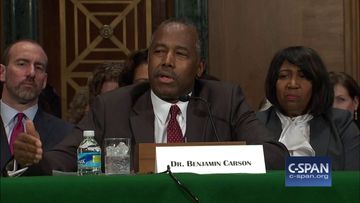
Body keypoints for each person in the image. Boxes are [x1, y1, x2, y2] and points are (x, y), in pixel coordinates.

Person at [13, 19, 288, 175]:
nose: (166, 61)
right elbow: (65, 158)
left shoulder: (224, 99)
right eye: (158, 51)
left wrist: (207, 160)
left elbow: (275, 156)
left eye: (180, 54)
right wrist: (34, 159)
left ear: (200, 67)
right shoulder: (113, 106)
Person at [256, 46, 360, 170]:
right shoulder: (254, 124)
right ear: (273, 82)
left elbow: (352, 181)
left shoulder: (341, 124)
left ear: (317, 83)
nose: (293, 84)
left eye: (303, 76)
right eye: (284, 76)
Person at [0, 39, 73, 175]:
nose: (31, 73)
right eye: (22, 64)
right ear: (2, 72)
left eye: (38, 67)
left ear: (44, 81)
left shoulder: (66, 135)